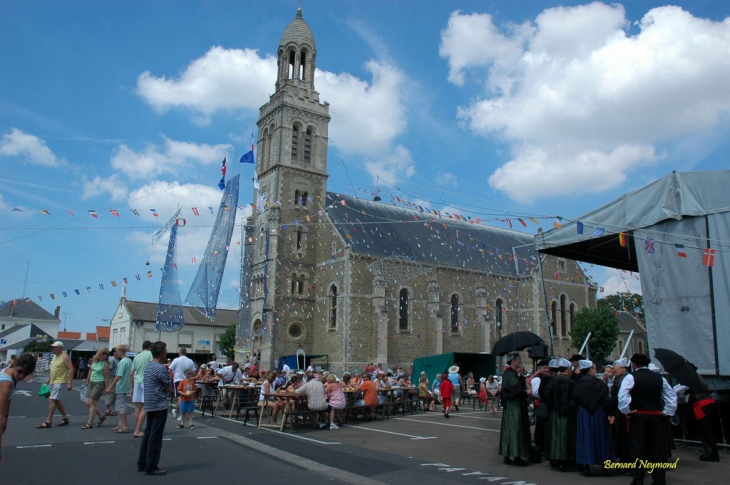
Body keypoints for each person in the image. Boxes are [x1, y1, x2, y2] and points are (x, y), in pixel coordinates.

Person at [618, 353, 677, 485]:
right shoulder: (659, 378)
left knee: (638, 449)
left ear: (634, 365)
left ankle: (638, 480)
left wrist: (626, 410)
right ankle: (659, 479)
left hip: (638, 415)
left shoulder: (631, 377)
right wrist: (667, 412)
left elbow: (622, 395)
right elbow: (671, 396)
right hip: (655, 416)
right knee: (656, 448)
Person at [572, 360, 615, 476]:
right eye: (594, 368)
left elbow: (574, 401)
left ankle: (586, 466)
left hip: (583, 412)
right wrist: (610, 413)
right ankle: (605, 466)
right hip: (598, 412)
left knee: (585, 437)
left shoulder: (577, 383)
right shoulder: (599, 383)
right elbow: (606, 399)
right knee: (601, 437)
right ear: (591, 369)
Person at [137, 341, 173, 476]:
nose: (166, 353)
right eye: (165, 351)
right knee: (155, 437)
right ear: (161, 353)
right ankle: (151, 465)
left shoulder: (149, 366)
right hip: (159, 404)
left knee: (148, 434)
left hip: (149, 403)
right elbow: (169, 386)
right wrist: (165, 388)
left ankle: (142, 462)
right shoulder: (160, 368)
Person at [1, 354, 36, 461]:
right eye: (20, 371)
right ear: (15, 366)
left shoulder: (9, 372)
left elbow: (7, 399)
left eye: (26, 374)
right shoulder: (7, 383)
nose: (21, 376)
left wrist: (6, 418)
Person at [498, 353, 531, 466]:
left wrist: (521, 376)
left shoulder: (512, 374)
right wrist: (526, 392)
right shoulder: (509, 374)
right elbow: (515, 391)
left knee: (511, 429)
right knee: (515, 429)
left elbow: (518, 387)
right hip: (513, 406)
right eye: (519, 360)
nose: (520, 362)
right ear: (513, 361)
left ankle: (508, 455)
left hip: (515, 405)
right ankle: (516, 456)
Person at [543, 358, 576, 471]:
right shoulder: (571, 382)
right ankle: (566, 459)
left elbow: (547, 396)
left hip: (555, 413)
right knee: (566, 436)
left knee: (555, 436)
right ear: (567, 370)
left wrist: (553, 406)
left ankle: (554, 458)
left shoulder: (553, 381)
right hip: (567, 414)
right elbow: (574, 399)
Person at [37, 341, 74, 428]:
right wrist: (49, 380)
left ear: (60, 348)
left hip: (60, 380)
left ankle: (48, 421)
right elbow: (54, 370)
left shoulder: (65, 357)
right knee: (56, 400)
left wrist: (69, 382)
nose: (53, 348)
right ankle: (65, 418)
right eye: (53, 347)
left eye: (55, 347)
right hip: (53, 380)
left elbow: (71, 369)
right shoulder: (54, 357)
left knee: (52, 399)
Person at [688, 373, 721, 462]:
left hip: (701, 406)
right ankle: (712, 451)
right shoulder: (699, 378)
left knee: (705, 430)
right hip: (709, 402)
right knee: (710, 429)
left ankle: (712, 453)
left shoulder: (691, 380)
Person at [608, 357, 632, 468]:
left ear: (623, 369)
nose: (613, 371)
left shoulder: (623, 380)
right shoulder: (620, 379)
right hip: (620, 411)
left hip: (622, 412)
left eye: (615, 369)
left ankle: (626, 461)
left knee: (624, 437)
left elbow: (618, 397)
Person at [106, 345, 132, 433]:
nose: (115, 353)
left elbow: (119, 375)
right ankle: (120, 424)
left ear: (121, 351)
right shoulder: (129, 361)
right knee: (120, 405)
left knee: (121, 406)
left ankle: (124, 425)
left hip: (122, 385)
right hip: (125, 385)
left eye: (117, 351)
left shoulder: (122, 362)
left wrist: (110, 386)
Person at [82, 348, 110, 429]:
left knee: (93, 403)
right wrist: (87, 380)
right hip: (91, 382)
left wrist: (105, 387)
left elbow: (107, 377)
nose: (104, 356)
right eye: (103, 354)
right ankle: (101, 416)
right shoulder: (94, 361)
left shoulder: (106, 364)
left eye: (106, 355)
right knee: (87, 402)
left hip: (99, 382)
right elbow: (90, 371)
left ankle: (89, 423)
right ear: (100, 354)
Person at [131, 340, 153, 438]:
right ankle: (137, 430)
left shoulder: (136, 356)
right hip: (146, 382)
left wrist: (132, 387)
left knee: (137, 406)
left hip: (137, 382)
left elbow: (131, 373)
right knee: (145, 406)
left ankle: (138, 427)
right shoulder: (150, 355)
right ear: (149, 346)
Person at [169, 348, 195, 419]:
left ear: (179, 353)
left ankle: (182, 414)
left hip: (178, 379)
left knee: (180, 397)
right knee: (183, 397)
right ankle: (176, 411)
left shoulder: (176, 360)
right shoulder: (190, 361)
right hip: (187, 380)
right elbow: (194, 372)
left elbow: (169, 370)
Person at [104, 347, 118, 417]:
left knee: (113, 393)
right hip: (111, 377)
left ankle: (109, 409)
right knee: (110, 392)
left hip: (115, 377)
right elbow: (108, 369)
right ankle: (107, 409)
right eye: (116, 351)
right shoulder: (112, 360)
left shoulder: (117, 359)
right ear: (114, 352)